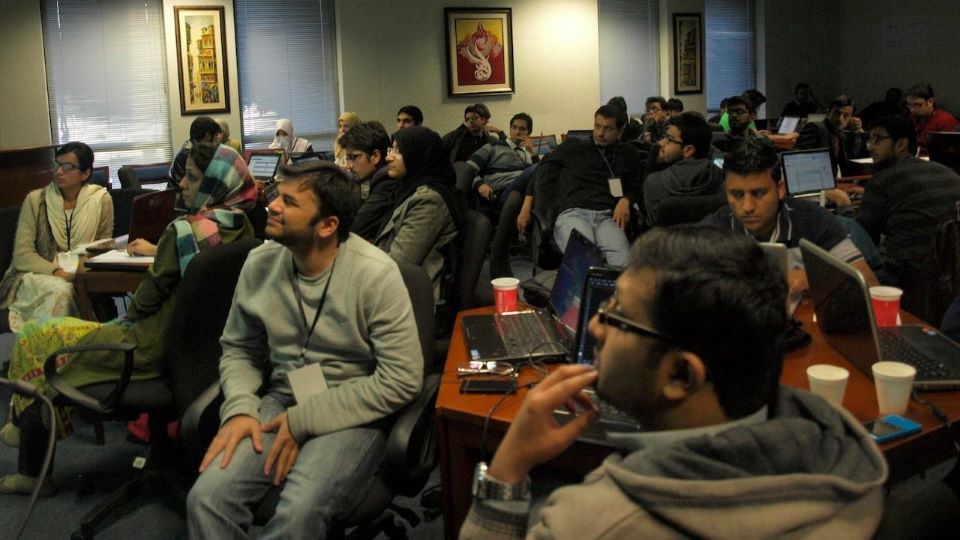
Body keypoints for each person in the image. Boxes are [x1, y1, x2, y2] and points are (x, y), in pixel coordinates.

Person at [460, 226, 887, 539]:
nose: (594, 324)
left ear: (681, 375)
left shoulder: (588, 523)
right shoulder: (846, 452)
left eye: (617, 316)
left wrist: (507, 467)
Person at [1, 143, 257, 495]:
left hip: (147, 349)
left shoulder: (184, 232)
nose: (181, 184)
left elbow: (141, 305)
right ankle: (25, 424)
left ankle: (32, 467)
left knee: (36, 335)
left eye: (192, 178)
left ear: (214, 184)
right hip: (199, 356)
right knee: (52, 330)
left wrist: (126, 316)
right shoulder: (243, 228)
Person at [186, 161, 422, 538]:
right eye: (278, 195)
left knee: (298, 514)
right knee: (206, 500)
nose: (273, 205)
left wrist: (303, 422)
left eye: (290, 202)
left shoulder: (375, 275)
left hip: (352, 409)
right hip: (282, 398)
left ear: (327, 226)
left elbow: (402, 380)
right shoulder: (260, 263)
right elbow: (239, 349)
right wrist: (241, 408)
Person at [701, 137, 876, 296]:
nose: (747, 207)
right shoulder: (715, 228)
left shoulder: (814, 220)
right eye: (736, 194)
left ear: (780, 189)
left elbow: (868, 283)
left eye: (759, 193)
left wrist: (813, 279)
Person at [0, 142, 113, 333]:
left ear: (85, 173)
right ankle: (51, 353)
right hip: (37, 275)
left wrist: (80, 273)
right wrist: (56, 272)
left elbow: (102, 246)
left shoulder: (101, 199)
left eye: (67, 167)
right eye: (56, 165)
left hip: (81, 272)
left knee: (69, 289)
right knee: (62, 290)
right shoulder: (35, 200)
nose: (58, 172)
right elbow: (22, 255)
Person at [517, 104, 643, 268]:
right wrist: (526, 208)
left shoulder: (628, 153)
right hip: (574, 213)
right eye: (597, 126)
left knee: (624, 264)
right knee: (586, 261)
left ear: (620, 130)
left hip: (608, 217)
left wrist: (626, 200)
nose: (600, 133)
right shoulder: (574, 147)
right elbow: (540, 172)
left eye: (608, 129)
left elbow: (636, 184)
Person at [855, 115, 960, 285]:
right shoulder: (946, 172)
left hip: (908, 279)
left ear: (901, 144)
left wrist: (844, 206)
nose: (870, 147)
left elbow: (864, 237)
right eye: (870, 139)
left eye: (878, 139)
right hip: (951, 277)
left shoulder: (883, 179)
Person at [375, 126, 465, 302]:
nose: (388, 157)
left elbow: (398, 263)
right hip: (393, 286)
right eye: (390, 149)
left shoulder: (430, 201)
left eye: (398, 151)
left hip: (411, 299)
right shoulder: (407, 188)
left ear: (418, 156)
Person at [466, 112, 538, 279]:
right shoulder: (493, 146)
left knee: (534, 177)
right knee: (538, 170)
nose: (518, 132)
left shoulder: (527, 153)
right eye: (514, 128)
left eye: (523, 129)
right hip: (501, 192)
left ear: (529, 133)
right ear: (510, 129)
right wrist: (480, 184)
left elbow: (538, 180)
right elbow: (468, 168)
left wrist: (533, 153)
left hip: (524, 195)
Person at [643, 112, 724, 225]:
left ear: (688, 150)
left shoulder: (653, 183)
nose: (661, 143)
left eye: (669, 139)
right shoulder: (724, 179)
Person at [338, 121, 399, 240]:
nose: (349, 165)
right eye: (347, 158)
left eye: (354, 157)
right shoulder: (375, 177)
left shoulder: (386, 179)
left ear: (375, 156)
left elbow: (356, 230)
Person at [795, 94, 866, 176]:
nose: (840, 119)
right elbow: (797, 156)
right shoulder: (815, 128)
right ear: (828, 111)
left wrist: (855, 134)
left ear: (851, 118)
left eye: (846, 115)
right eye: (837, 113)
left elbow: (848, 160)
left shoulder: (841, 135)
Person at [169, 116, 223, 190]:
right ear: (207, 136)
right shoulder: (191, 154)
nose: (217, 141)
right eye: (216, 136)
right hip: (178, 196)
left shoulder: (189, 146)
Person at [906, 83, 959, 149]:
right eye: (909, 105)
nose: (912, 110)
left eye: (917, 105)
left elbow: (948, 151)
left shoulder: (945, 121)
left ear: (930, 101)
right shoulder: (912, 118)